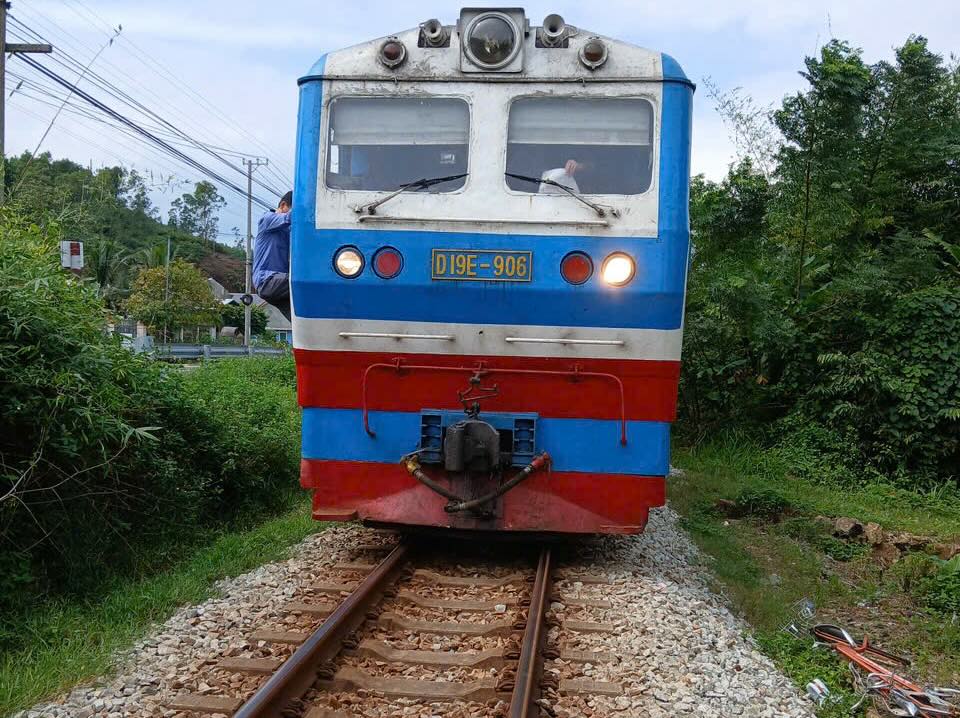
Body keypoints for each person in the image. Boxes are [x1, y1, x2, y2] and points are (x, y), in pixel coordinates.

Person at [253, 191, 292, 321]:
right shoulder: (267, 219)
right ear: (283, 205)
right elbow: (291, 217)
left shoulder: (288, 232)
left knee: (302, 320)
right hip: (267, 280)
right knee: (304, 282)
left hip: (279, 285)